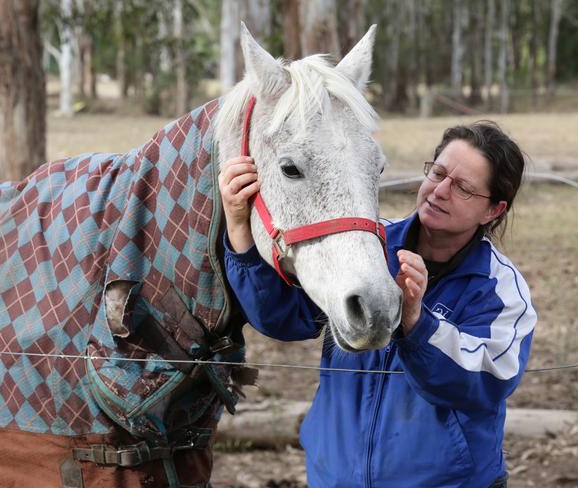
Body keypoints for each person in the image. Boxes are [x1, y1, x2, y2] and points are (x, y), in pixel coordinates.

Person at [218, 121, 536, 487]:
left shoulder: (498, 289)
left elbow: (486, 383)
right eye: (438, 172)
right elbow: (283, 318)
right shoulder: (364, 247)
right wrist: (239, 229)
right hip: (335, 478)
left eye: (462, 187)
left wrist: (417, 323)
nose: (439, 190)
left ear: (493, 211)